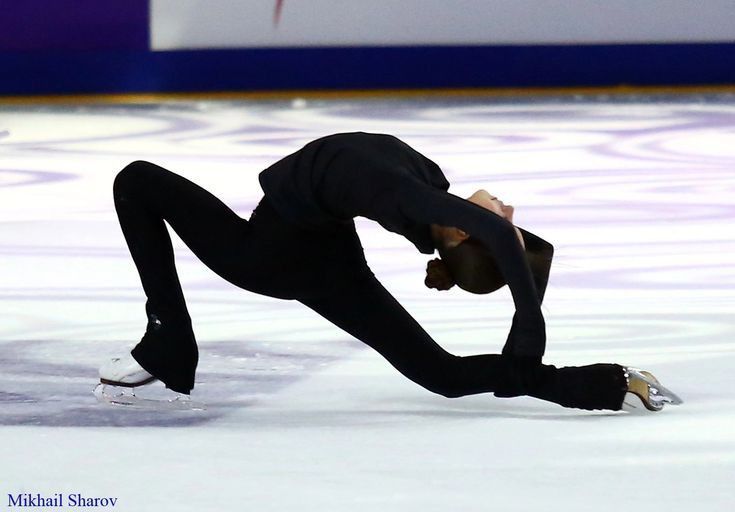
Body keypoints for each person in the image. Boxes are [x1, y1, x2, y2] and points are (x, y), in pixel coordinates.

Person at [99, 132, 681, 412]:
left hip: (270, 253)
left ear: (458, 232)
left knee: (136, 180)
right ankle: (603, 383)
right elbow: (493, 236)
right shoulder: (427, 193)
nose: (509, 211)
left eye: (505, 220)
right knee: (441, 374)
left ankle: (169, 337)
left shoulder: (417, 199)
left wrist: (529, 324)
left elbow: (498, 236)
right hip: (324, 252)